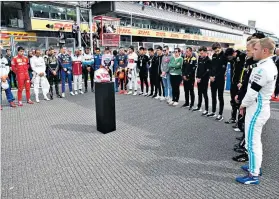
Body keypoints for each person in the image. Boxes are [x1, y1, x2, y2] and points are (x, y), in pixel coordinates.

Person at [236, 38, 278, 185]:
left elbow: (252, 92)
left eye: (256, 49)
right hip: (257, 108)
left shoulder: (263, 68)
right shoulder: (266, 65)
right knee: (252, 140)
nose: (253, 51)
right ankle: (255, 166)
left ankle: (253, 174)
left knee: (252, 142)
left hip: (257, 109)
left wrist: (242, 105)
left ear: (265, 51)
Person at [232, 39, 259, 163]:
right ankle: (245, 148)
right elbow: (246, 79)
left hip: (254, 103)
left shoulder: (261, 66)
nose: (246, 53)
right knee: (247, 128)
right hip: (247, 98)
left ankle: (251, 162)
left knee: (253, 135)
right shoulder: (250, 62)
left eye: (248, 50)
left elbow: (253, 89)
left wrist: (243, 103)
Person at [224, 48, 246, 124]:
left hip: (240, 83)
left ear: (233, 53)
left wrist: (241, 81)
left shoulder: (242, 56)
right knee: (233, 100)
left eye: (229, 57)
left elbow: (244, 69)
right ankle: (233, 118)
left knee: (239, 101)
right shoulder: (231, 59)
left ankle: (240, 120)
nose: (228, 59)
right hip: (233, 83)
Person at [207, 42, 227, 121]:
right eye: (215, 51)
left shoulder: (224, 56)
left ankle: (220, 114)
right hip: (212, 80)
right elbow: (212, 67)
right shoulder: (214, 56)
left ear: (220, 47)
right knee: (213, 96)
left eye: (217, 50)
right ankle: (213, 111)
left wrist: (215, 76)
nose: (216, 52)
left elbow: (223, 70)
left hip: (220, 80)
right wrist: (211, 76)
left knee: (220, 97)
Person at [192, 46, 211, 115]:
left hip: (204, 79)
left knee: (204, 94)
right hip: (198, 79)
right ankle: (199, 106)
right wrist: (197, 77)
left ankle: (206, 109)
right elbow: (198, 69)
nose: (201, 54)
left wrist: (200, 78)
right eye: (200, 53)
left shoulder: (208, 60)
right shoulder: (199, 58)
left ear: (206, 52)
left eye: (202, 53)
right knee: (199, 93)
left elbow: (207, 71)